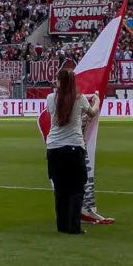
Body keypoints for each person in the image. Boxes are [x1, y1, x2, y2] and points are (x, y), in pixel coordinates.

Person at [42, 62, 95, 234]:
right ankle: (74, 227)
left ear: (59, 82)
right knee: (76, 189)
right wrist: (98, 100)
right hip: (73, 147)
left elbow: (54, 116)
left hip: (54, 148)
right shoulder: (79, 99)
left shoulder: (51, 98)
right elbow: (91, 113)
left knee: (61, 189)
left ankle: (62, 225)